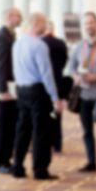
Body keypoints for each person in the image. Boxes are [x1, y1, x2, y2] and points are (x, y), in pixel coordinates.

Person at [11, 12, 62, 180]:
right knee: (41, 131)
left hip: (22, 90)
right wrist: (55, 98)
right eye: (44, 24)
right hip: (38, 92)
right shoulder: (39, 45)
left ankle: (17, 167)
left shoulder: (17, 44)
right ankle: (40, 170)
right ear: (37, 23)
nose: (46, 27)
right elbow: (46, 74)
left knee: (22, 129)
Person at [66, 12, 96, 172]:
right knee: (86, 130)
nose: (89, 26)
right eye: (86, 23)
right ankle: (91, 161)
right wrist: (76, 76)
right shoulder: (78, 47)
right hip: (83, 94)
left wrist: (95, 77)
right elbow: (70, 68)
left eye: (91, 22)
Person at [0, 7, 22, 173]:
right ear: (10, 17)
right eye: (18, 15)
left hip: (9, 86)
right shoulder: (2, 36)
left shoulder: (9, 34)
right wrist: (2, 89)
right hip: (3, 87)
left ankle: (6, 160)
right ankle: (0, 161)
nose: (21, 18)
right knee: (2, 124)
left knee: (9, 123)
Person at [42, 21, 70, 153]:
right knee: (57, 114)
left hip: (42, 84)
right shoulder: (60, 43)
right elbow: (65, 60)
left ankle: (46, 142)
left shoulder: (41, 43)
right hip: (58, 80)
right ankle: (57, 143)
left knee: (43, 115)